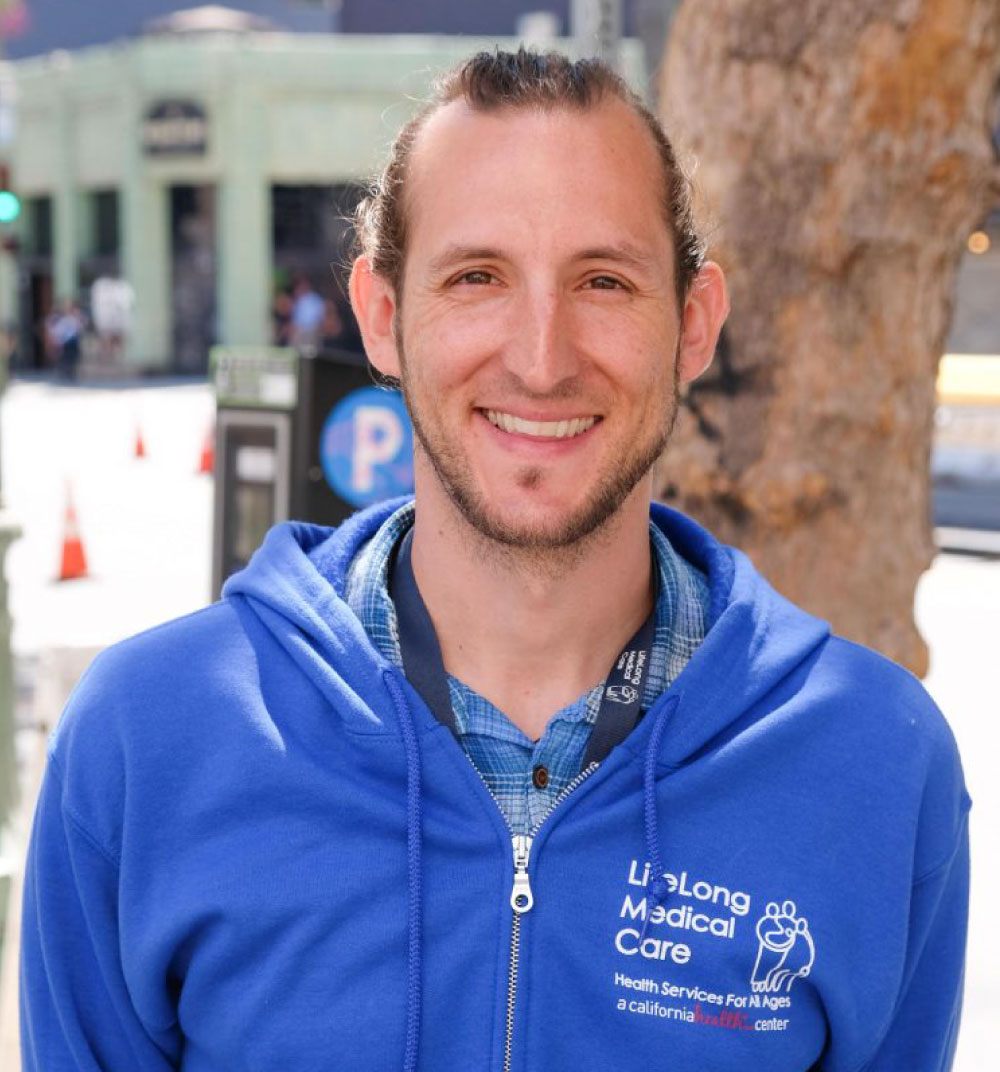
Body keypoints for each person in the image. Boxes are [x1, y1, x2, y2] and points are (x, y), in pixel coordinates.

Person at [20, 50, 969, 1071]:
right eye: (476, 277)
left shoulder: (873, 762)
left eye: (603, 280)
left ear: (692, 325)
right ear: (382, 316)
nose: (540, 357)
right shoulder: (147, 741)